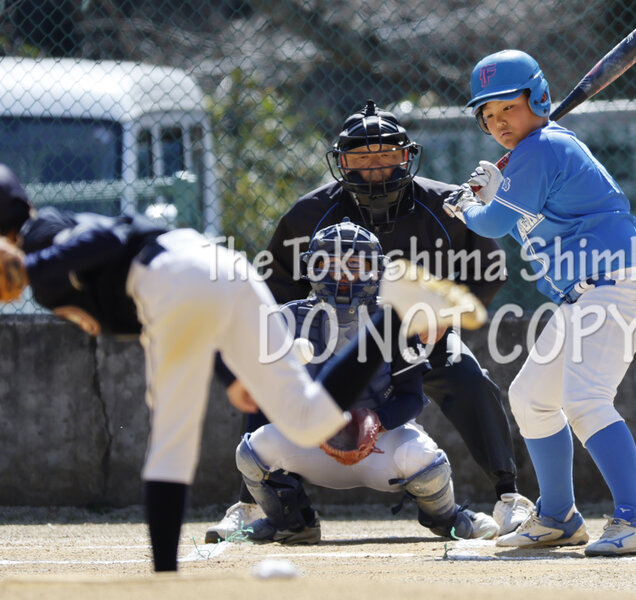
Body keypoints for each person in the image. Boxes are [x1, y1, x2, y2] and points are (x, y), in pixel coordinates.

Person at [0, 163, 485, 571]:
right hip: (222, 270)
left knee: (170, 444)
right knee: (308, 417)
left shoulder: (37, 237)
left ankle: (163, 579)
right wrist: (232, 375)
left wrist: (29, 265)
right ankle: (396, 310)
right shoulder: (46, 270)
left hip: (174, 278)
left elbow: (112, 239)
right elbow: (190, 314)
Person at [206, 100, 534, 543]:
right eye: (361, 158)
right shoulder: (309, 213)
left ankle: (510, 497)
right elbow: (276, 289)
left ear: (407, 156)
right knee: (271, 372)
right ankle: (250, 506)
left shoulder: (446, 205)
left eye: (386, 154)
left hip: (418, 335)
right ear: (342, 163)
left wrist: (447, 316)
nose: (375, 167)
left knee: (468, 376)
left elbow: (489, 271)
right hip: (330, 339)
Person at [443, 49, 636, 557]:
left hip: (615, 285)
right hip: (583, 295)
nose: (499, 122)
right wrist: (494, 195)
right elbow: (526, 223)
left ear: (539, 99)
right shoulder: (536, 152)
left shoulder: (543, 147)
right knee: (532, 399)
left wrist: (470, 205)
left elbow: (493, 224)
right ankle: (558, 517)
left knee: (586, 399)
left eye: (509, 107)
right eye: (488, 114)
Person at [236, 219, 499, 544]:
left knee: (424, 459)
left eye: (355, 265)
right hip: (311, 444)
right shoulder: (288, 319)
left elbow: (411, 397)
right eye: (330, 264)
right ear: (311, 268)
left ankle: (449, 519)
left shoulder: (395, 320)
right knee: (253, 449)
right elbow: (262, 395)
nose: (342, 275)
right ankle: (292, 523)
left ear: (376, 271)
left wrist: (376, 422)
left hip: (379, 446)